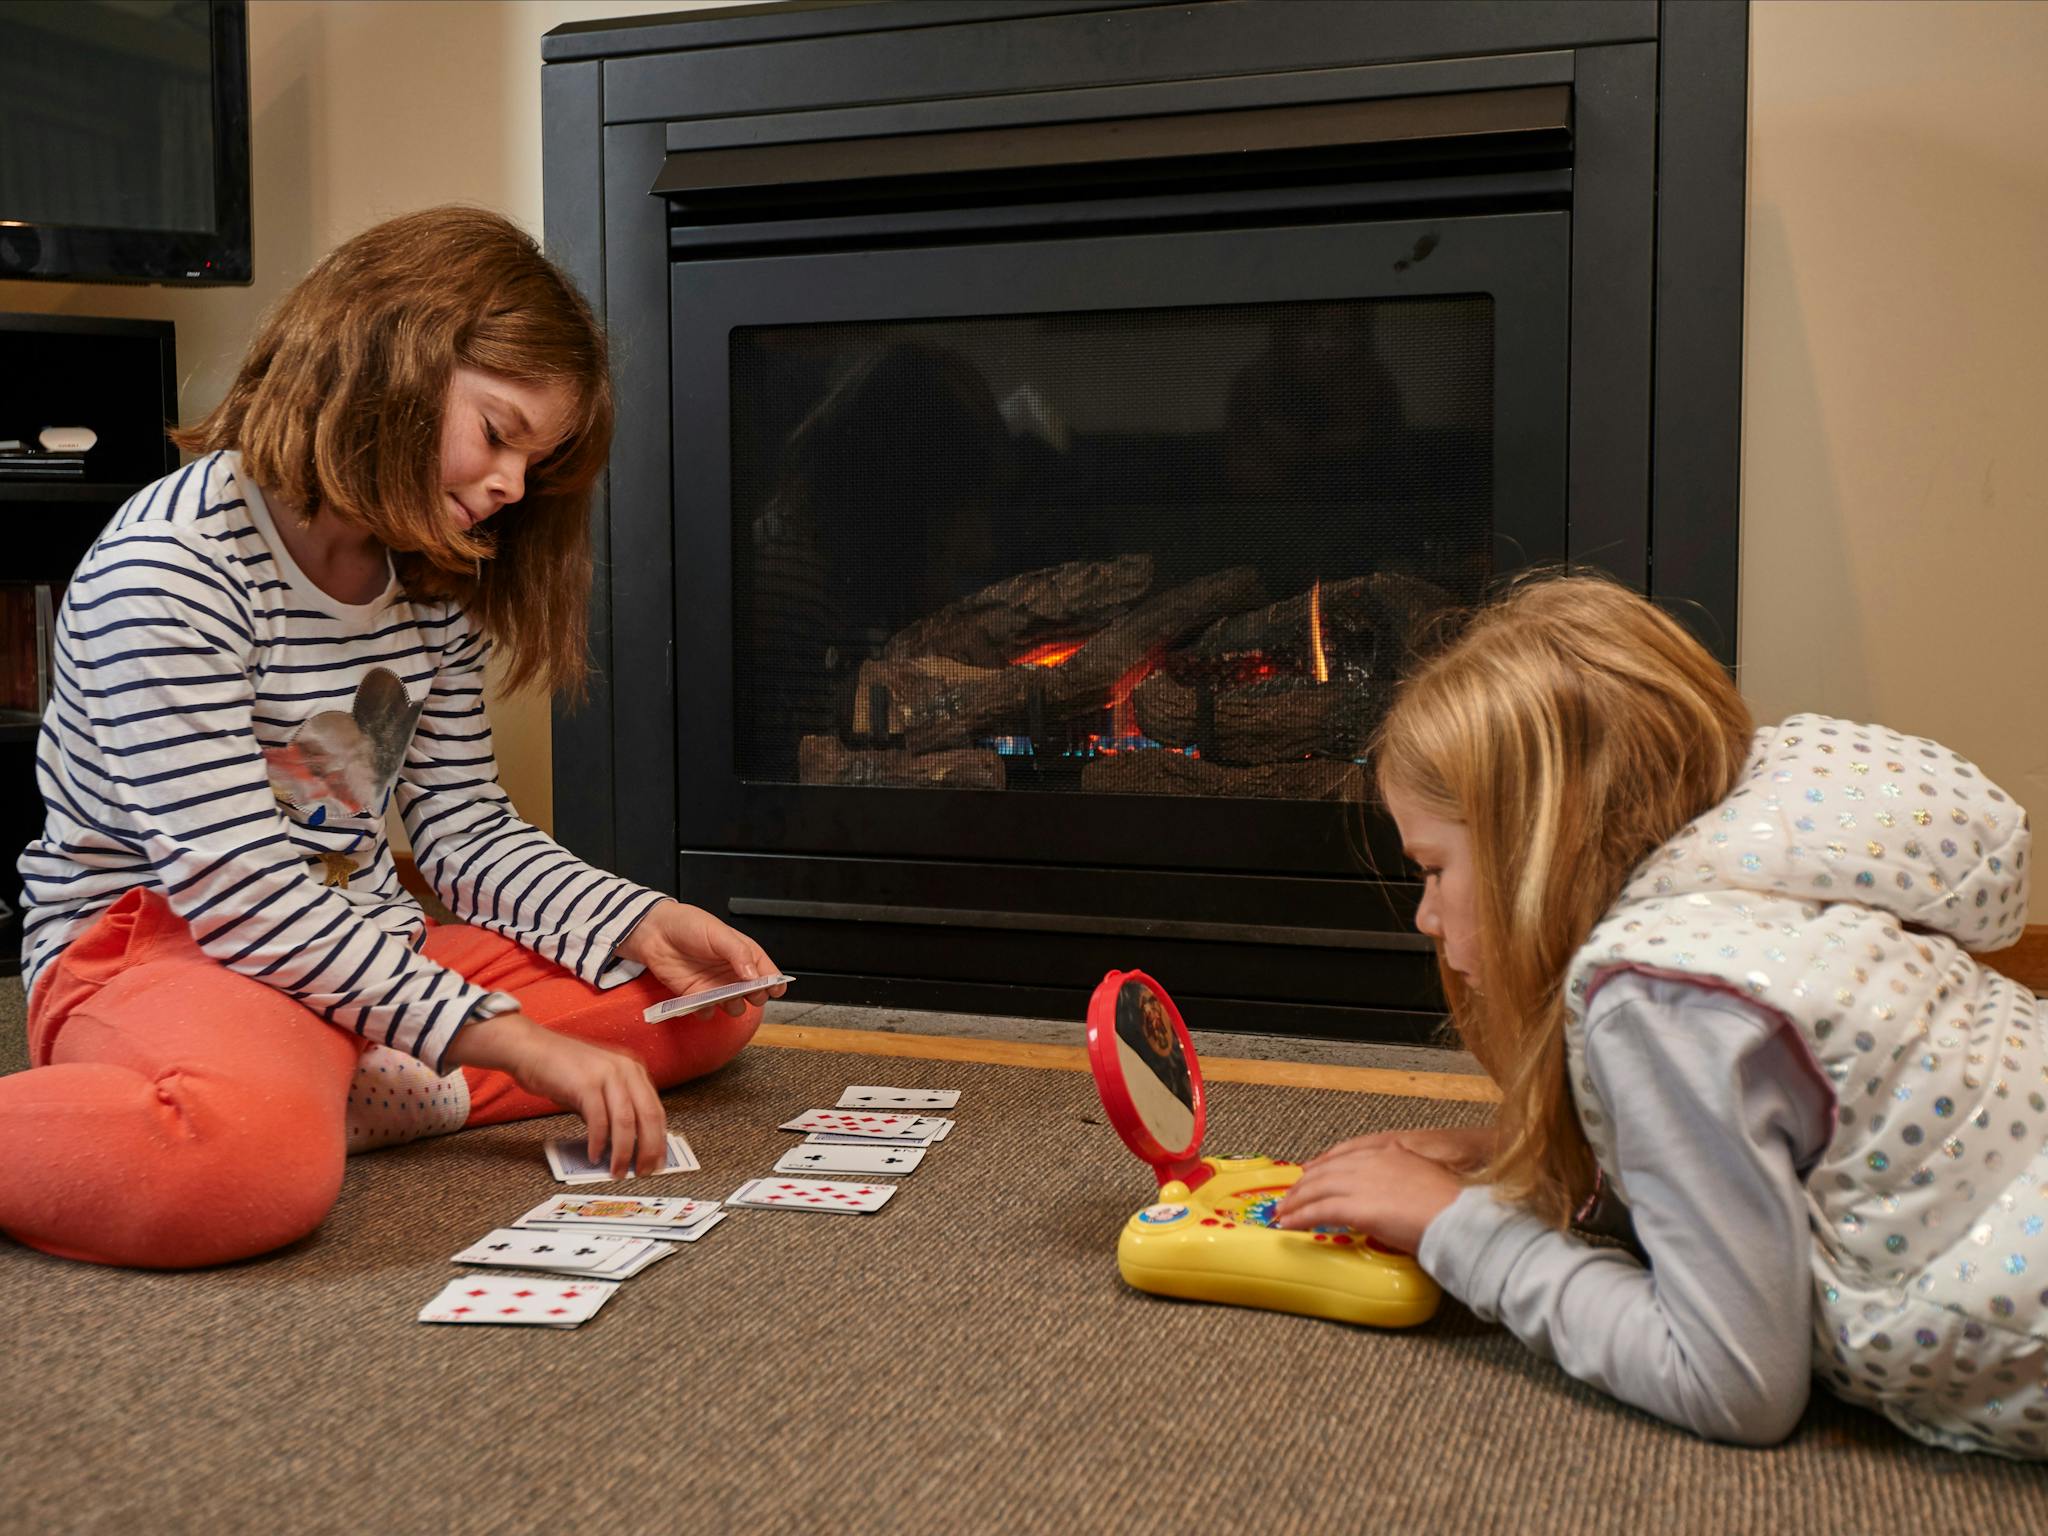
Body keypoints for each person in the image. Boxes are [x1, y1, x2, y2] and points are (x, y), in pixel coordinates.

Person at [0, 207, 785, 1271]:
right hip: (159, 945)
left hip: (352, 939)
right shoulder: (170, 570)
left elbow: (463, 833)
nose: (510, 486)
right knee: (241, 1170)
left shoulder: (427, 576)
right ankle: (308, 1086)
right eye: (498, 433)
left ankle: (339, 1063)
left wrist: (638, 919)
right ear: (388, 362)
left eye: (532, 461)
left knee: (698, 1007)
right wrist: (513, 1041)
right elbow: (241, 897)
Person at [1275, 573, 2046, 1459]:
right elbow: (1763, 1151)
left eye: (1435, 868)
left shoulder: (1657, 1002)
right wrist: (1536, 1159)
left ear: (1536, 852)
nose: (1425, 912)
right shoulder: (1742, 876)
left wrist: (1463, 1229)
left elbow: (1733, 1381)